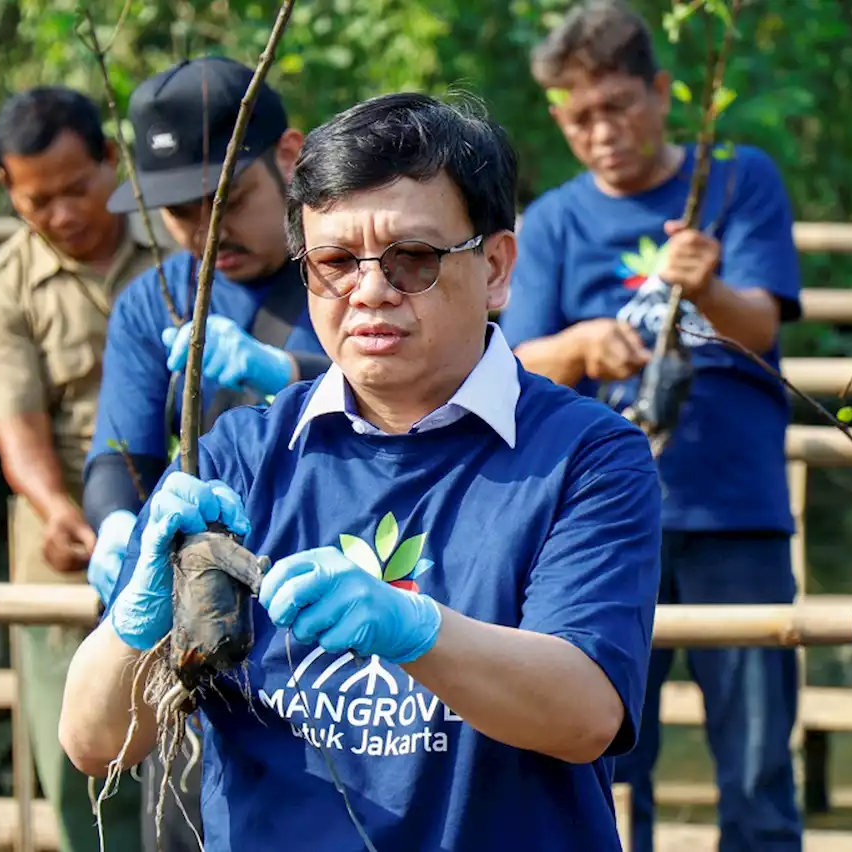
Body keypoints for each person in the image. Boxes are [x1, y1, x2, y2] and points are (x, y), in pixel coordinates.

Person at [58, 91, 662, 852]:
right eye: (336, 262)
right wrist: (132, 624)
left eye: (413, 259)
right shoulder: (236, 457)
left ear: (498, 266)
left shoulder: (588, 454)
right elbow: (91, 739)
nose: (370, 291)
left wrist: (415, 629)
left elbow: (586, 714)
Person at [501, 3, 804, 850]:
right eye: (578, 115)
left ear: (664, 92)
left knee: (754, 761)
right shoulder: (554, 219)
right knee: (601, 753)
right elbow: (515, 364)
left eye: (618, 105)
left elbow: (758, 327)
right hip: (596, 522)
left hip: (734, 510)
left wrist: (707, 286)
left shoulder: (739, 180)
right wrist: (575, 346)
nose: (602, 131)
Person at [78, 56, 330, 851]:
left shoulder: (350, 280)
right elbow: (119, 452)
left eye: (225, 202)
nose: (203, 233)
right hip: (197, 629)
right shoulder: (154, 299)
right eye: (178, 214)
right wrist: (117, 522)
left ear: (289, 156)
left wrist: (290, 373)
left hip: (326, 619)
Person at [0, 86, 148, 852]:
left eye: (78, 189)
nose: (64, 214)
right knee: (79, 757)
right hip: (66, 540)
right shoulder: (0, 292)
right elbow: (19, 426)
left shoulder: (179, 251)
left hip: (183, 515)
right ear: (8, 189)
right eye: (39, 201)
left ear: (111, 159)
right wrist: (57, 512)